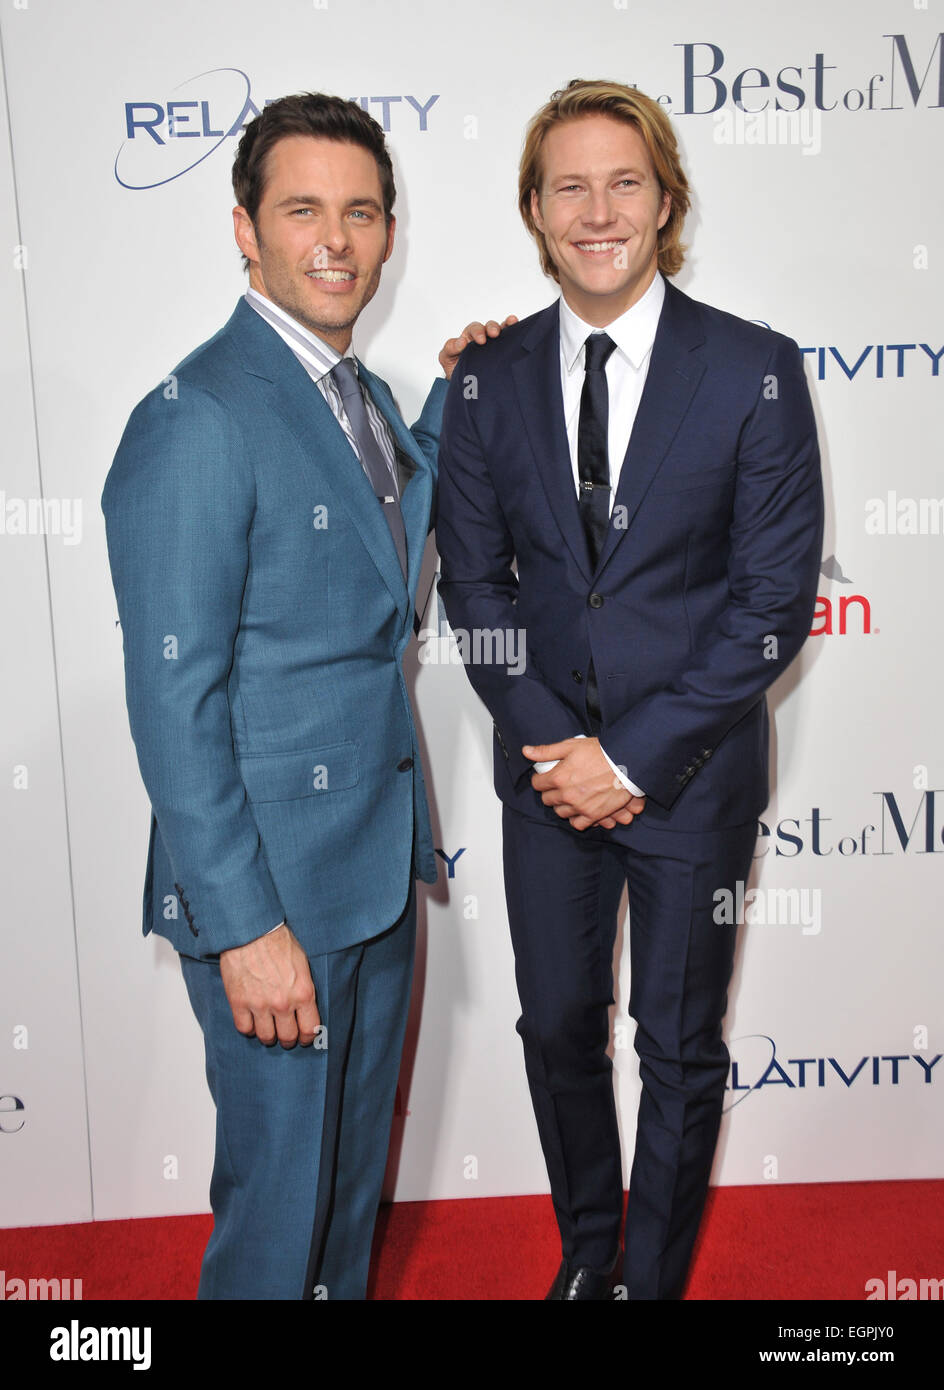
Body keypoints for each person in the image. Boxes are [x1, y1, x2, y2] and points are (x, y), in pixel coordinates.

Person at [103, 91, 510, 1300]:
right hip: (272, 903)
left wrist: (456, 393)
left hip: (375, 876)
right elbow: (173, 701)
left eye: (360, 210)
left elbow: (388, 536)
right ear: (245, 228)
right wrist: (243, 929)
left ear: (388, 233)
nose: (334, 237)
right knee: (279, 1217)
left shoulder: (358, 395)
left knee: (340, 1205)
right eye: (301, 210)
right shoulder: (198, 416)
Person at [436, 79, 823, 1300]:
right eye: (568, 186)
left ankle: (647, 1285)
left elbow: (768, 606)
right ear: (534, 210)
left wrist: (633, 757)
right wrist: (559, 748)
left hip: (690, 779)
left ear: (665, 201)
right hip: (545, 779)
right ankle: (587, 1254)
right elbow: (476, 595)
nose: (596, 210)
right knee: (555, 1026)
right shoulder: (483, 383)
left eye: (623, 182)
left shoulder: (752, 370)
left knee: (675, 1046)